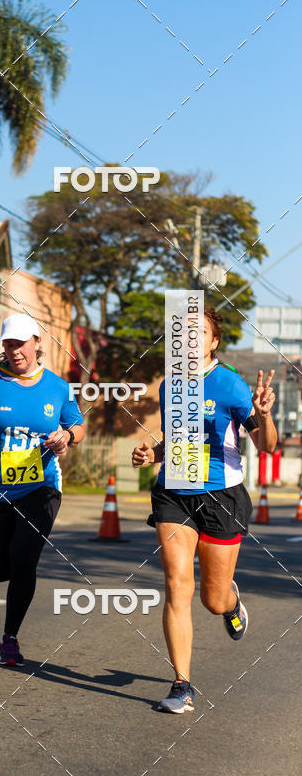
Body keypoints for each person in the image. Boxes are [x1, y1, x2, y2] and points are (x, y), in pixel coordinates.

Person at [132, 306, 277, 713]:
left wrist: (263, 417)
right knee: (178, 585)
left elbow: (266, 445)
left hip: (221, 495)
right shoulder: (169, 386)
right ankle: (182, 684)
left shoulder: (231, 385)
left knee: (211, 599)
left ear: (214, 342)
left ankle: (230, 602)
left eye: (200, 333)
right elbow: (175, 440)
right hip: (173, 494)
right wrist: (152, 454)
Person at [0, 313, 85, 666]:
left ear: (37, 343)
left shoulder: (57, 386)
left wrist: (65, 437)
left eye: (21, 343)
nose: (15, 350)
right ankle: (9, 578)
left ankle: (10, 638)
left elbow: (78, 427)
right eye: (8, 344)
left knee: (24, 559)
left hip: (42, 486)